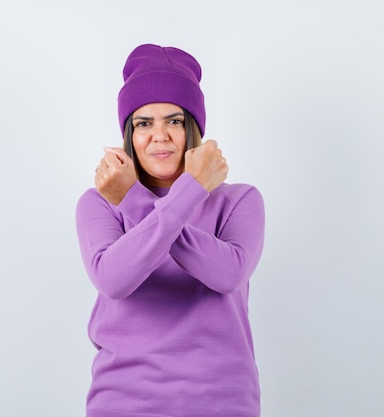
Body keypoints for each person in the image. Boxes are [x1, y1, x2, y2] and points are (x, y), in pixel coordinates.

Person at [75, 44, 265, 417]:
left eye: (174, 121)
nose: (159, 135)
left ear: (192, 129)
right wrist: (140, 196)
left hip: (223, 404)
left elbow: (226, 274)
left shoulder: (240, 200)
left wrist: (136, 198)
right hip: (123, 402)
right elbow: (114, 279)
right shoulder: (100, 202)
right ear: (130, 133)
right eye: (144, 123)